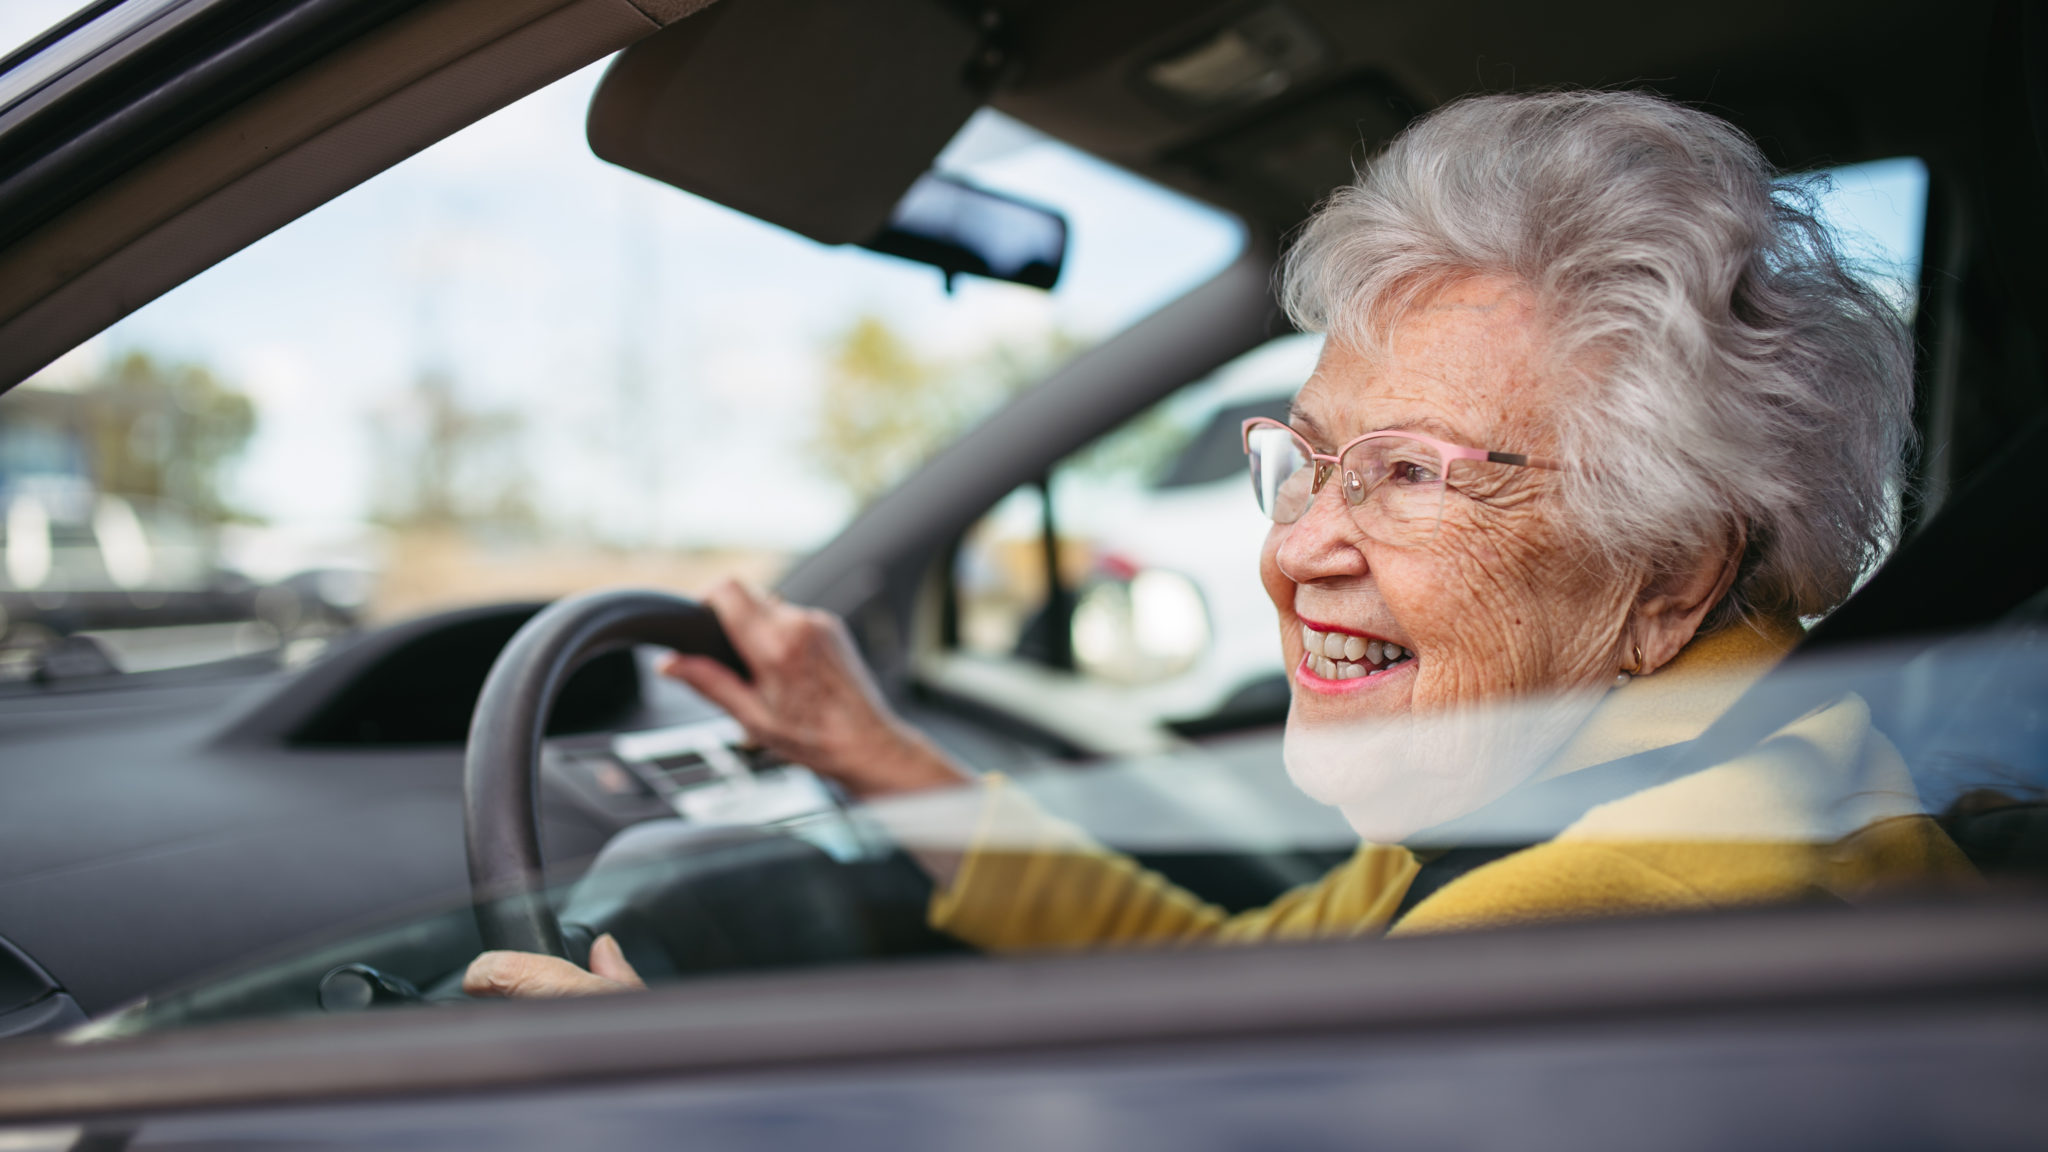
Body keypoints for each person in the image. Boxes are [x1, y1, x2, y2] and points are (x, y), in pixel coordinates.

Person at [465, 90, 1972, 999]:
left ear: (1671, 572)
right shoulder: (1600, 758)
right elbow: (1227, 985)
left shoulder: (1614, 913)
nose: (1299, 550)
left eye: (1408, 476)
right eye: (1306, 464)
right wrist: (890, 766)